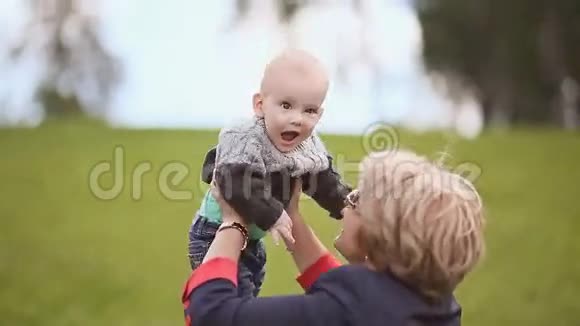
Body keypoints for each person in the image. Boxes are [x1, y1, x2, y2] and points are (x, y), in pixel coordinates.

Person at [181, 149, 486, 326]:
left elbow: (212, 315)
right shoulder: (438, 306)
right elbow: (353, 293)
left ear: (378, 233)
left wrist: (234, 223)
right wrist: (293, 217)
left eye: (356, 199)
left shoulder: (354, 309)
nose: (346, 202)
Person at [187, 49, 352, 298]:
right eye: (286, 105)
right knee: (232, 304)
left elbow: (322, 180)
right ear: (260, 105)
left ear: (319, 114)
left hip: (253, 239)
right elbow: (236, 182)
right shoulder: (243, 137)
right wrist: (273, 213)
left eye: (309, 111)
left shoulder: (307, 145)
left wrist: (346, 204)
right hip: (215, 233)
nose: (296, 119)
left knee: (249, 294)